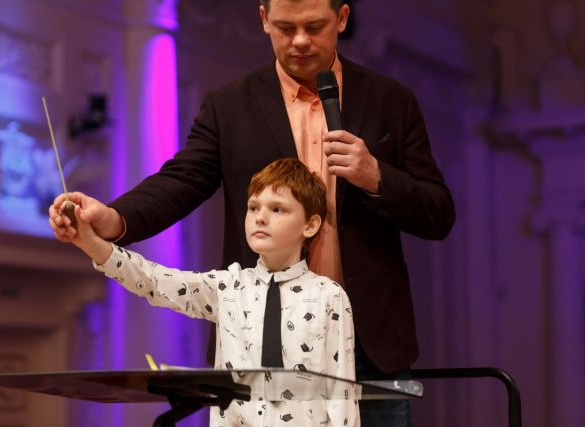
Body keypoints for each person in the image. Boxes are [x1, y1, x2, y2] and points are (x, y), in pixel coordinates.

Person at [49, 0, 455, 424]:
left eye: (314, 26)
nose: (300, 40)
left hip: (371, 343)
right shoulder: (229, 105)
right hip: (259, 340)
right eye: (286, 27)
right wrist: (114, 219)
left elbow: (439, 213)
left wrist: (377, 177)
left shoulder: (392, 100)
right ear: (263, 19)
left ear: (342, 18)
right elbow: (181, 181)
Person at [57, 158, 359, 426]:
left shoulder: (328, 296)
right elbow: (154, 282)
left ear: (310, 225)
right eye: (254, 207)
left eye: (277, 209)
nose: (260, 217)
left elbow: (342, 393)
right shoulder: (229, 287)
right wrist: (90, 243)